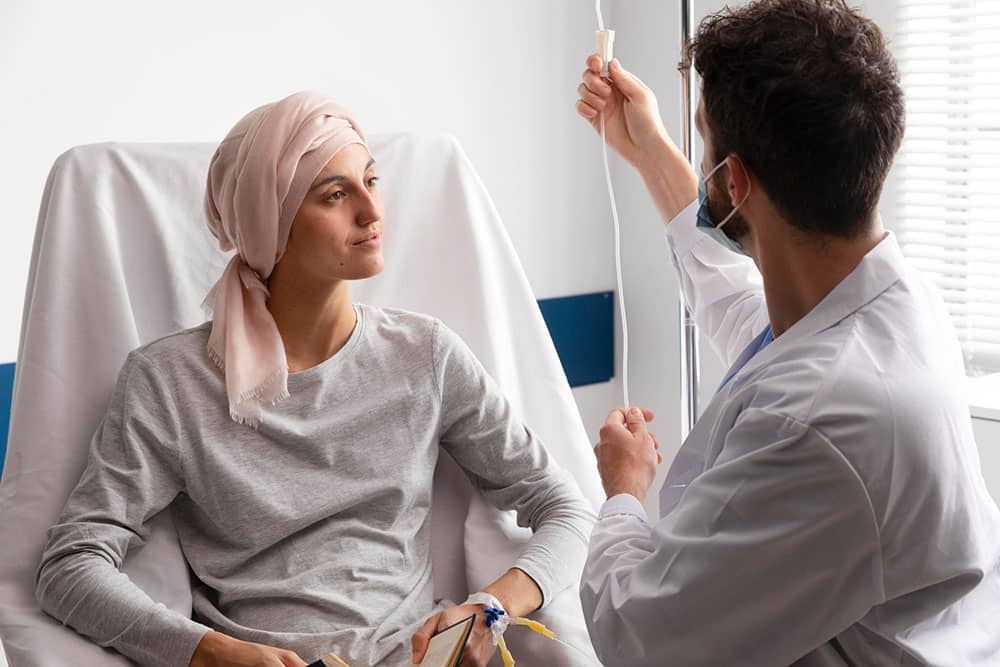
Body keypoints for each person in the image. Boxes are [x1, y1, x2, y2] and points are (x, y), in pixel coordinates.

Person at [34, 91, 594, 667]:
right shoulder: (169, 382)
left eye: (370, 181)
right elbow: (70, 566)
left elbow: (566, 507)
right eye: (334, 194)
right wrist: (210, 652)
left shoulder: (425, 356)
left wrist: (489, 610)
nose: (371, 211)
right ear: (269, 224)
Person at [575, 0, 1000, 664]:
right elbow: (746, 304)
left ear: (735, 179)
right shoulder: (894, 302)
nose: (702, 160)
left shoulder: (814, 418)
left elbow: (640, 633)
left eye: (704, 143)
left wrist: (624, 490)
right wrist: (650, 150)